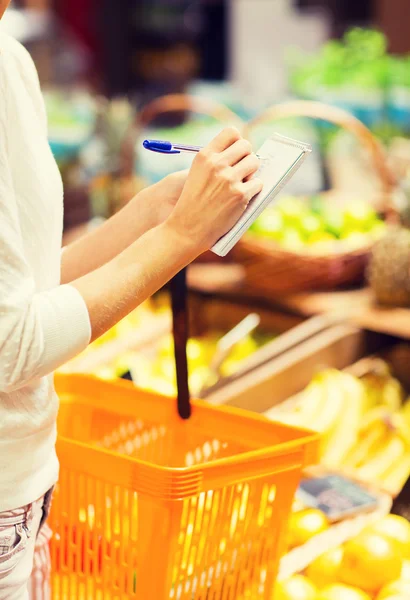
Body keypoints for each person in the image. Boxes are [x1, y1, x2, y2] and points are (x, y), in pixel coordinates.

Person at [0, 2, 262, 598]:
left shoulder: (10, 60)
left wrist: (149, 217)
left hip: (31, 487)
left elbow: (27, 292)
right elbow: (10, 348)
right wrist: (178, 239)